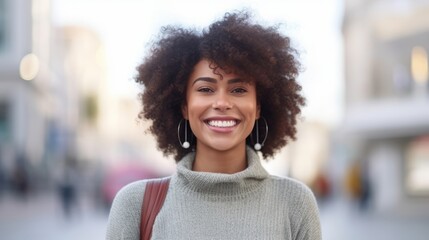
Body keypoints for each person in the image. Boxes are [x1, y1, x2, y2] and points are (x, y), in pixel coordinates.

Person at [106, 11, 322, 240]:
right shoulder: (135, 205)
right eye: (205, 89)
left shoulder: (295, 203)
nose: (222, 103)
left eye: (238, 90)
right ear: (184, 107)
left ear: (258, 107)